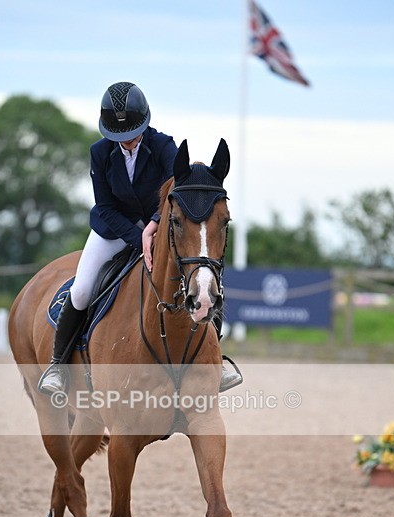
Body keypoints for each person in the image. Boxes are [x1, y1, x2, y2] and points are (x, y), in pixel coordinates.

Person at [38, 81, 242, 395]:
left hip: (162, 228)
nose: (128, 141)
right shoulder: (100, 153)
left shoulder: (163, 146)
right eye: (120, 137)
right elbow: (105, 207)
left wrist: (155, 225)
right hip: (114, 230)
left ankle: (216, 360)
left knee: (201, 279)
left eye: (133, 134)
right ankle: (58, 364)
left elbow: (178, 194)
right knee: (80, 291)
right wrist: (138, 236)